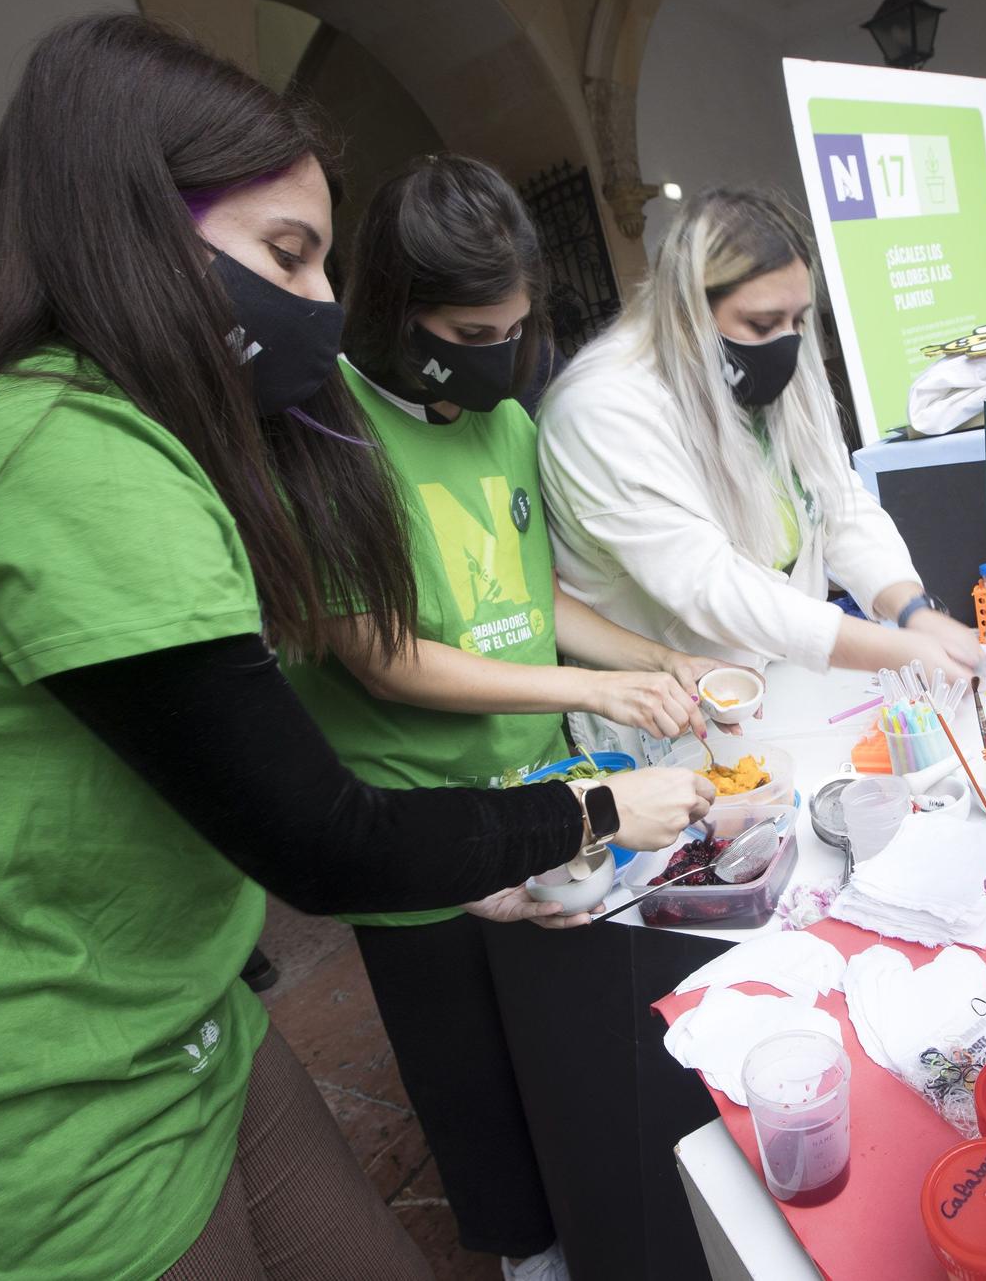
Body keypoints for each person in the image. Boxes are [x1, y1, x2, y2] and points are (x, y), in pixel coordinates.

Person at [0, 15, 711, 1281]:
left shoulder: (90, 433)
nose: (317, 305)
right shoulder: (55, 447)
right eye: (286, 255)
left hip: (171, 1017)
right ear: (130, 226)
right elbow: (324, 841)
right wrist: (594, 806)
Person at [290, 154, 726, 1281]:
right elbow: (380, 655)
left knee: (565, 1051)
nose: (497, 358)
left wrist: (655, 661)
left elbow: (533, 601)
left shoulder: (502, 421)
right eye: (468, 332)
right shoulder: (320, 430)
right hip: (419, 828)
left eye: (515, 329)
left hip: (543, 800)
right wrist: (590, 688)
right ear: (394, 314)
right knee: (474, 1093)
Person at [537, 188, 981, 693]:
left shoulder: (770, 357)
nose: (787, 341)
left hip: (783, 675)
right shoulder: (602, 410)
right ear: (689, 311)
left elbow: (838, 502)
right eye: (763, 323)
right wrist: (891, 649)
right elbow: (709, 584)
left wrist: (910, 608)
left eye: (797, 320)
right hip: (675, 708)